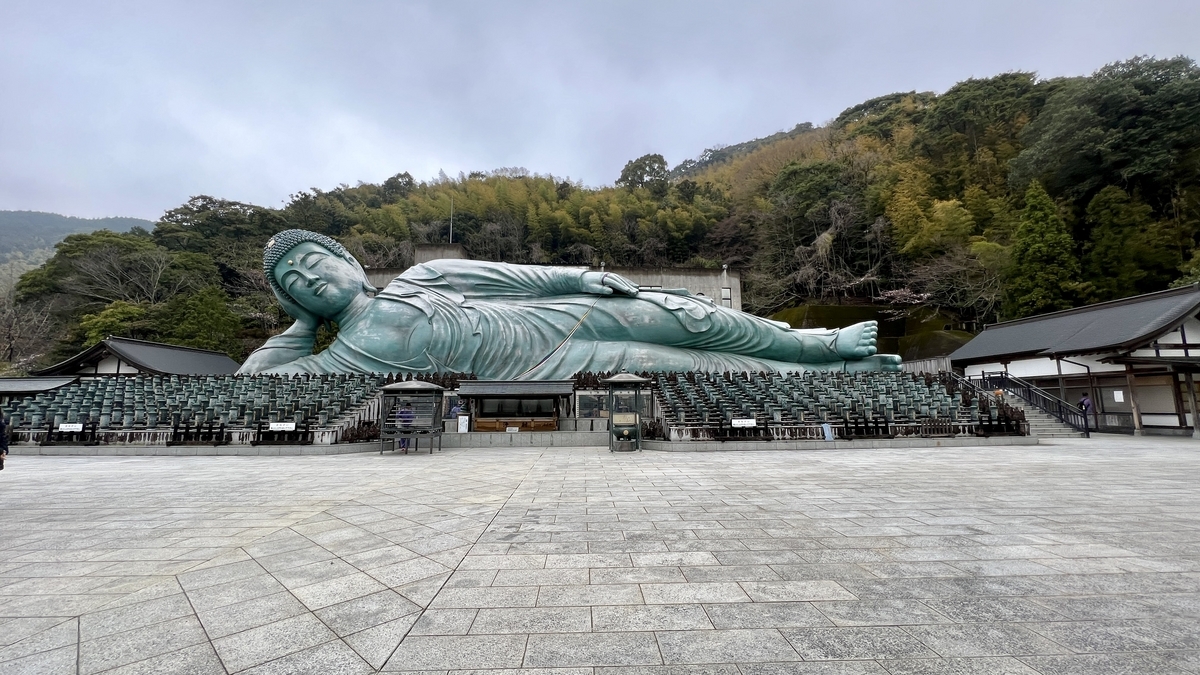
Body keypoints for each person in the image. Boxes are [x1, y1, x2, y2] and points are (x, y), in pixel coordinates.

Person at [238, 229, 902, 379]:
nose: (308, 277)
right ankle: (830, 375)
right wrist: (301, 327)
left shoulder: (424, 275)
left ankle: (816, 343)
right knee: (686, 365)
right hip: (543, 365)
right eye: (292, 280)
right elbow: (250, 386)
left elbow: (518, 278)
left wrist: (581, 277)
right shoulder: (343, 356)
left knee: (684, 314)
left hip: (549, 317)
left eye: (312, 260)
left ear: (350, 261)